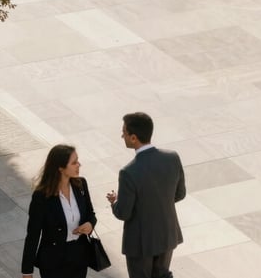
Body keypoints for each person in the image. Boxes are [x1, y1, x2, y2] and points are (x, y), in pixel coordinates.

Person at [107, 112, 186, 278]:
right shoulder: (172, 158)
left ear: (134, 138)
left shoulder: (129, 172)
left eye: (124, 132)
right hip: (166, 234)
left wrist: (115, 202)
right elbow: (180, 194)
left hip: (140, 242)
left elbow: (123, 213)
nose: (122, 136)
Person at [21, 144, 96, 278]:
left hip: (79, 257)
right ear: (60, 168)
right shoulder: (41, 196)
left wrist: (90, 225)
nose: (79, 165)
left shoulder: (81, 185)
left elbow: (91, 214)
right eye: (74, 163)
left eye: (77, 160)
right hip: (53, 262)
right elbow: (33, 235)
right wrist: (27, 271)